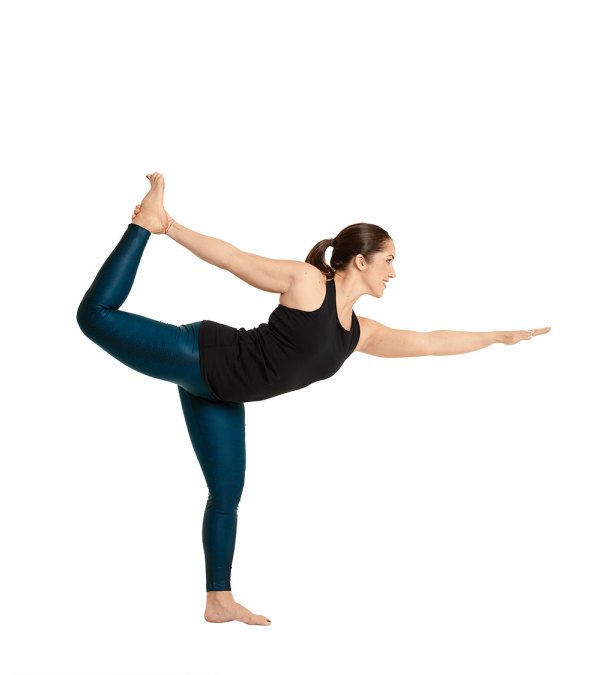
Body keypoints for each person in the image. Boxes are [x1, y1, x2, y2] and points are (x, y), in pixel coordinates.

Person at [76, 172, 550, 626]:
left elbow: (429, 341)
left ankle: (218, 601)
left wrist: (495, 336)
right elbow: (232, 257)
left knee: (226, 494)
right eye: (389, 260)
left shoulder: (359, 333)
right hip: (202, 356)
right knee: (94, 317)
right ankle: (144, 223)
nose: (395, 272)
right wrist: (169, 227)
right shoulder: (308, 284)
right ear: (361, 261)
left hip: (220, 393)